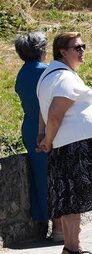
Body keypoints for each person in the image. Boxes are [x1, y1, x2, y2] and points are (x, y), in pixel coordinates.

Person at [36, 32, 92, 254]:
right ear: (62, 52)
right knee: (72, 200)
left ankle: (70, 248)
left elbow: (42, 112)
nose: (82, 50)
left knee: (69, 199)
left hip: (72, 143)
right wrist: (47, 138)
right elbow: (54, 113)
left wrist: (43, 135)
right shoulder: (64, 77)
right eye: (77, 47)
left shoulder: (50, 74)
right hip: (76, 146)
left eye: (83, 46)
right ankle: (73, 249)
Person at [14, 32, 49, 227]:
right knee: (54, 174)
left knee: (39, 175)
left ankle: (43, 216)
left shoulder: (22, 73)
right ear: (42, 49)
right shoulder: (47, 70)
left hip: (29, 127)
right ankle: (60, 226)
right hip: (48, 128)